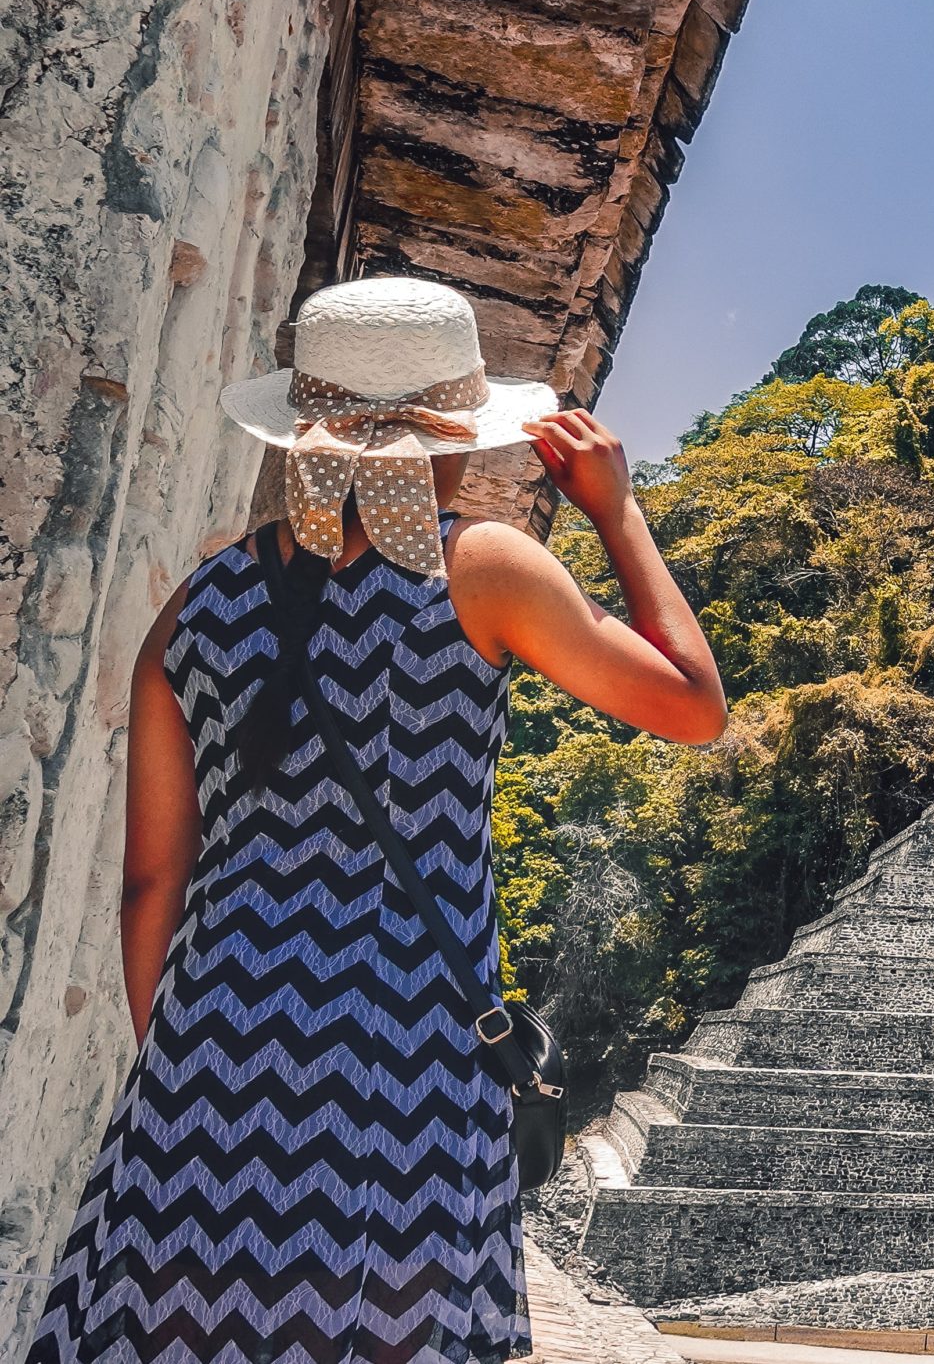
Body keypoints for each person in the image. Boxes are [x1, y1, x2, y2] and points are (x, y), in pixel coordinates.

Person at [25, 276, 725, 1364]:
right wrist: (614, 508)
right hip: (404, 1066)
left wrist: (187, 1067)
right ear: (453, 435)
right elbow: (691, 706)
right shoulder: (481, 568)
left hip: (203, 1056)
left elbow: (152, 885)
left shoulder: (201, 599)